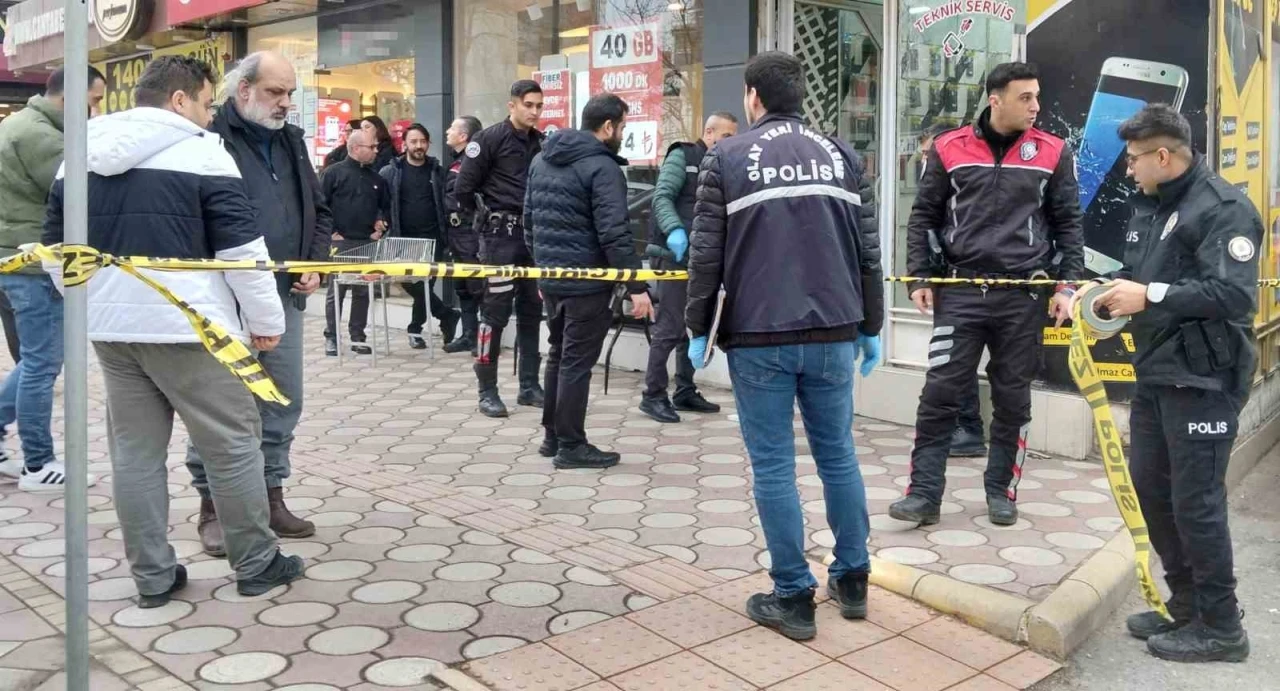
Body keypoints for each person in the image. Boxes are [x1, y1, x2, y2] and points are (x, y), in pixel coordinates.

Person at [43, 56, 304, 606]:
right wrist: (266, 323)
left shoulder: (78, 154)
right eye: (207, 104)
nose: (211, 116)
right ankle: (257, 563)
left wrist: (89, 305)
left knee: (134, 454)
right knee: (232, 445)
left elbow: (54, 251)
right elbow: (242, 251)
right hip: (194, 328)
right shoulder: (203, 152)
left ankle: (153, 577)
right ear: (180, 100)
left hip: (114, 332)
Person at [685, 52, 883, 641]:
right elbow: (868, 250)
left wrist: (696, 328)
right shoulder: (842, 155)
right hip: (835, 330)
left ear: (753, 97)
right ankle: (853, 579)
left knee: (774, 465)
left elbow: (705, 255)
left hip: (759, 334)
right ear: (801, 96)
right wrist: (872, 325)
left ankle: (793, 595)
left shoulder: (725, 157)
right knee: (838, 456)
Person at [1086, 104, 1256, 663]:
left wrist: (1149, 296)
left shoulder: (1224, 209)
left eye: (1134, 159)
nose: (1128, 168)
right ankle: (1186, 607)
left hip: (1204, 377)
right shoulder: (1155, 205)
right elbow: (1144, 279)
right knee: (1152, 491)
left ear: (1163, 156)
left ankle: (1222, 627)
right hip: (1158, 370)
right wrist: (1099, 293)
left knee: (1195, 502)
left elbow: (1233, 295)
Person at [891, 62, 1083, 528]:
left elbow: (1069, 224)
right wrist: (919, 277)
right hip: (959, 292)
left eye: (1037, 96)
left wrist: (1067, 286)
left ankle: (1001, 492)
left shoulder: (1053, 151)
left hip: (1023, 296)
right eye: (1025, 97)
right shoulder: (949, 146)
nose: (1035, 106)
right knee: (940, 393)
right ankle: (923, 495)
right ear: (995, 99)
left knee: (1013, 399)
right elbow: (924, 217)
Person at [194, 50, 335, 556]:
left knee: (281, 399)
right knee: (222, 404)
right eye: (275, 92)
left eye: (290, 93)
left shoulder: (292, 141)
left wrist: (314, 263)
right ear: (244, 90)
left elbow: (319, 211)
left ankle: (271, 495)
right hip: (226, 299)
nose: (285, 102)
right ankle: (213, 507)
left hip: (284, 297)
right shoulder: (210, 138)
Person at [526, 93, 654, 469]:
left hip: (552, 278)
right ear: (608, 126)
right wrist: (636, 287)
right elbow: (615, 233)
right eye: (623, 127)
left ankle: (552, 437)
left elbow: (529, 221)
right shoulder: (603, 167)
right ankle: (571, 446)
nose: (623, 135)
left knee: (558, 355)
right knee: (575, 363)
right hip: (587, 284)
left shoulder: (541, 159)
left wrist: (542, 269)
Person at [0, 65, 106, 491]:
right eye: (94, 101)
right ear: (70, 97)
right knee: (42, 364)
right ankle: (38, 464)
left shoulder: (21, 124)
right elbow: (81, 191)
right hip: (32, 265)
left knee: (34, 360)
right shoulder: (41, 137)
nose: (96, 111)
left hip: (17, 259)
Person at [454, 80, 546, 417]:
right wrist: (485, 220)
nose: (534, 112)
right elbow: (463, 189)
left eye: (539, 106)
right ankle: (487, 390)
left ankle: (529, 386)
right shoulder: (488, 139)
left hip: (531, 238)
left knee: (532, 311)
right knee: (494, 314)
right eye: (528, 105)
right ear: (512, 105)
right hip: (499, 239)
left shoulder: (542, 142)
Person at [639, 112, 737, 424]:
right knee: (670, 327)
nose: (731, 143)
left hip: (702, 259)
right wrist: (674, 230)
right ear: (709, 132)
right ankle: (652, 395)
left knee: (693, 326)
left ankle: (684, 390)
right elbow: (662, 198)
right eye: (726, 136)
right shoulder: (683, 156)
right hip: (674, 255)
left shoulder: (723, 165)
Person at [916, 121, 987, 458]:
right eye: (923, 155)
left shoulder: (962, 182)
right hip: (946, 279)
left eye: (928, 153)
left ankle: (968, 427)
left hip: (965, 282)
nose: (925, 160)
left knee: (957, 360)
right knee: (950, 359)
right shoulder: (936, 183)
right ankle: (959, 425)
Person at [380, 123, 459, 348]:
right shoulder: (390, 172)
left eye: (423, 141)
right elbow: (381, 203)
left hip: (433, 240)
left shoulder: (438, 172)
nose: (418, 146)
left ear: (428, 144)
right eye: (413, 141)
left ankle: (415, 329)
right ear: (404, 144)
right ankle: (446, 314)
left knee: (425, 285)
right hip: (402, 240)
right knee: (408, 282)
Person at [322, 129, 392, 356]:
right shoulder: (333, 173)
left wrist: (380, 223)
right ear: (354, 148)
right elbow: (320, 207)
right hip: (340, 242)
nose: (376, 151)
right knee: (336, 291)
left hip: (367, 241)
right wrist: (332, 233)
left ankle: (358, 336)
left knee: (362, 291)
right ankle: (332, 337)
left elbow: (384, 207)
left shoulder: (376, 178)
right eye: (371, 147)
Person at [442, 115, 485, 355]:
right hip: (455, 232)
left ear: (463, 136)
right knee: (462, 287)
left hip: (469, 231)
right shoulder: (457, 161)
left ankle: (484, 339)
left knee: (477, 285)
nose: (447, 131)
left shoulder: (474, 162)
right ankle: (468, 335)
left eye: (452, 128)